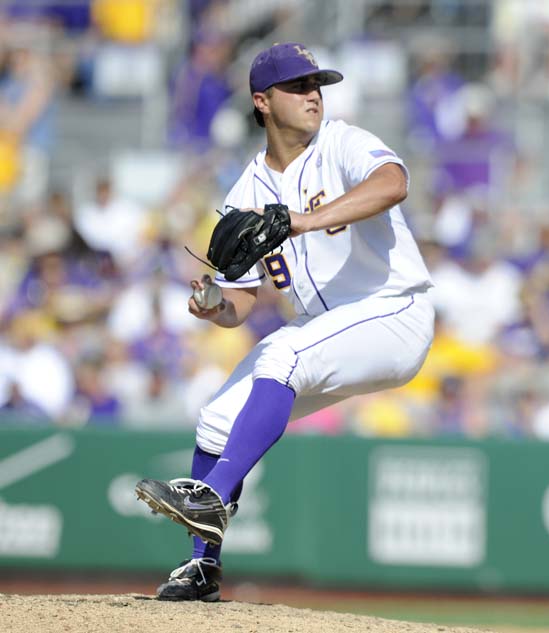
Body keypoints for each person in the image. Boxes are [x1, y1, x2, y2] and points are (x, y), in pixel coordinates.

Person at [135, 42, 435, 601]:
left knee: (283, 353)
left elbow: (394, 183)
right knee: (216, 418)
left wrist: (301, 221)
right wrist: (214, 306)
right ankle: (203, 568)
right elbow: (241, 303)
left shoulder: (342, 142)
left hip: (394, 310)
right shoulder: (244, 193)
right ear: (262, 101)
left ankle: (213, 495)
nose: (313, 95)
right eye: (298, 86)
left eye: (317, 83)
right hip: (328, 332)